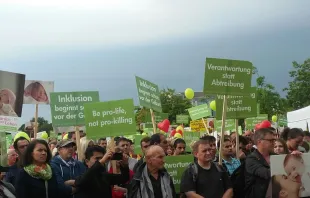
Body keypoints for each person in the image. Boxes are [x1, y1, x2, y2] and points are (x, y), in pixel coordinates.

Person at [245, 128, 275, 198]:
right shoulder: (251, 159)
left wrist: (294, 158)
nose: (274, 143)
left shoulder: (275, 156)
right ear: (259, 141)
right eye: (271, 140)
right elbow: (266, 173)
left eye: (274, 140)